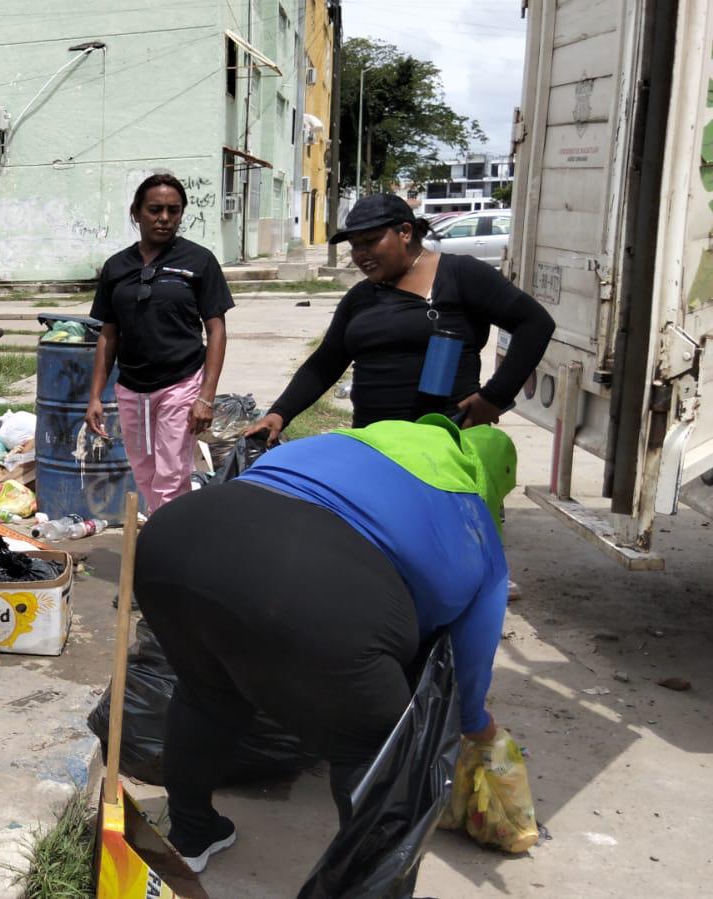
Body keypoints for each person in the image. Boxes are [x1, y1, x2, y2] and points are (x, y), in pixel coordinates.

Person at [134, 414, 517, 874]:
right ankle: (365, 885)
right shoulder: (476, 523)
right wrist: (483, 735)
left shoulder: (343, 443)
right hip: (301, 587)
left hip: (173, 542)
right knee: (378, 740)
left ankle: (190, 834)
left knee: (206, 692)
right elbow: (468, 676)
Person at [248, 193, 554, 441]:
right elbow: (326, 362)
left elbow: (535, 323)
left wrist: (494, 397)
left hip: (446, 444)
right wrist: (280, 412)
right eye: (355, 246)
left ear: (405, 232)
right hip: (375, 445)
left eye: (371, 241)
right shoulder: (361, 298)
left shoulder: (460, 275)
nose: (361, 253)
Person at [86, 173, 232, 512]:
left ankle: (169, 550)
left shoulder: (199, 261)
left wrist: (206, 397)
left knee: (171, 474)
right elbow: (108, 334)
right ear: (136, 212)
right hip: (132, 389)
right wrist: (95, 395)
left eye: (173, 210)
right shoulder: (117, 267)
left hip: (180, 383)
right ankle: (168, 533)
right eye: (155, 209)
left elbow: (217, 330)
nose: (164, 218)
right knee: (144, 471)